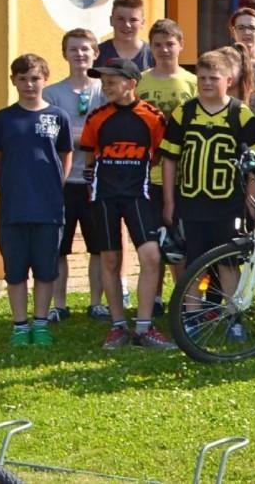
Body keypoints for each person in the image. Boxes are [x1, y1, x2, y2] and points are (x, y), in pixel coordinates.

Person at [163, 48, 255, 341]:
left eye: (213, 77)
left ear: (229, 79)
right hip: (191, 201)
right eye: (202, 77)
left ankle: (234, 317)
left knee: (229, 262)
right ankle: (193, 317)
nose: (207, 83)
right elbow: (169, 157)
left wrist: (251, 203)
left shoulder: (239, 113)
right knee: (194, 261)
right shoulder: (186, 111)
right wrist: (169, 201)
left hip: (228, 203)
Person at [76, 58, 171, 348]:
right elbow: (90, 157)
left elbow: (158, 155)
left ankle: (144, 327)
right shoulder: (97, 117)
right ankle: (118, 326)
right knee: (110, 259)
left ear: (131, 83)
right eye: (102, 82)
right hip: (103, 197)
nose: (106, 87)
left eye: (112, 81)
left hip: (138, 196)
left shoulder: (153, 117)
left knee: (152, 257)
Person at [0, 54, 74, 347]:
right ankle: (20, 325)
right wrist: (10, 189)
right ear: (13, 81)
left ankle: (41, 323)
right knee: (15, 270)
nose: (29, 84)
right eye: (22, 79)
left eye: (35, 78)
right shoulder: (3, 118)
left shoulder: (58, 116)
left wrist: (52, 187)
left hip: (48, 208)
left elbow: (65, 156)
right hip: (13, 208)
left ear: (45, 80)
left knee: (46, 269)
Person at [44, 29, 102, 323]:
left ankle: (96, 303)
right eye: (74, 49)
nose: (80, 55)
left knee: (99, 247)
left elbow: (108, 132)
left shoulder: (104, 90)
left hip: (95, 180)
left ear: (95, 53)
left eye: (85, 49)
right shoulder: (51, 93)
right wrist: (85, 137)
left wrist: (76, 136)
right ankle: (59, 304)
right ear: (65, 53)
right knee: (59, 247)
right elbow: (50, 135)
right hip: (62, 181)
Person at [136, 19, 197, 119]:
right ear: (150, 46)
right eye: (157, 45)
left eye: (170, 44)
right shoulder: (138, 81)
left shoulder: (194, 82)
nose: (164, 50)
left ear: (181, 44)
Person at [99, 0, 155, 70]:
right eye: (121, 19)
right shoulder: (98, 53)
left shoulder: (153, 55)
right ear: (111, 20)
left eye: (133, 20)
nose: (127, 25)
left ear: (142, 23)